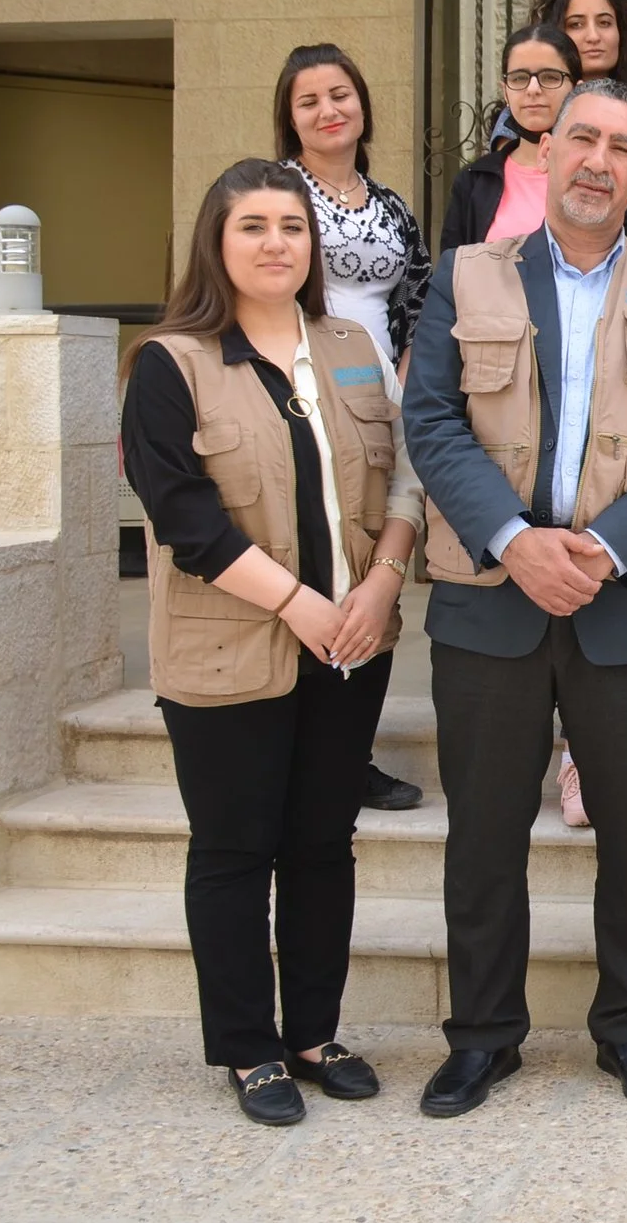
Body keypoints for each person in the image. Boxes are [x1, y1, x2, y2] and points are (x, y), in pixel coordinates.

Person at [402, 76, 627, 1118]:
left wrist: (601, 548)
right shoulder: (467, 276)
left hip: (621, 597)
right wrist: (515, 541)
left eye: (621, 148)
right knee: (484, 830)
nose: (598, 160)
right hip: (488, 595)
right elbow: (431, 419)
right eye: (581, 138)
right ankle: (482, 1036)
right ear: (545, 155)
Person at [119, 158, 422, 1126]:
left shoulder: (349, 346)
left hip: (353, 639)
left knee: (323, 843)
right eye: (252, 226)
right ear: (216, 242)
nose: (276, 243)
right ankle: (249, 1048)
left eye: (292, 227)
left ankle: (314, 1033)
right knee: (235, 849)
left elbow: (402, 475)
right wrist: (299, 605)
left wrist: (382, 581)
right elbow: (185, 520)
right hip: (230, 647)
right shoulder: (169, 364)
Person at [271, 43, 434, 815]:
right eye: (309, 101)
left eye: (340, 94)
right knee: (312, 558)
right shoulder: (276, 193)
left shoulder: (392, 205)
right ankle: (297, 746)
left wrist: (405, 372)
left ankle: (351, 753)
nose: (328, 110)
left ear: (363, 105)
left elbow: (422, 297)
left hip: (381, 398)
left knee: (373, 559)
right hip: (301, 392)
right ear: (289, 118)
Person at [439, 23, 582, 256]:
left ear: (577, 90)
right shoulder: (474, 181)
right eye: (519, 78)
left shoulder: (598, 172)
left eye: (550, 77)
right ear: (505, 91)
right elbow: (452, 270)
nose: (533, 89)